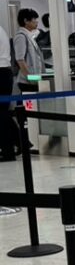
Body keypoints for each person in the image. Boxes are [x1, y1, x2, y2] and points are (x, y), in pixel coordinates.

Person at [0, 22, 18, 161]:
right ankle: (20, 142)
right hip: (5, 72)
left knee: (1, 115)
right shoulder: (2, 29)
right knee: (3, 113)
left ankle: (8, 151)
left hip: (1, 73)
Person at [14, 9, 44, 92]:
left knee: (34, 104)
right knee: (29, 104)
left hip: (34, 78)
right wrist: (30, 78)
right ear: (26, 21)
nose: (36, 22)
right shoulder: (21, 36)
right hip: (27, 81)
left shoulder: (30, 36)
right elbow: (20, 59)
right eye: (34, 19)